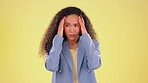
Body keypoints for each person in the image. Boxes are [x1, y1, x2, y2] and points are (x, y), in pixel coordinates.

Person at [39, 6, 101, 83]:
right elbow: (51, 67)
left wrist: (85, 34)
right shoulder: (55, 44)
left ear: (82, 26)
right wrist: (58, 36)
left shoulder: (92, 43)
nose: (72, 30)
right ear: (61, 26)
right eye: (67, 25)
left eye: (76, 25)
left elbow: (95, 65)